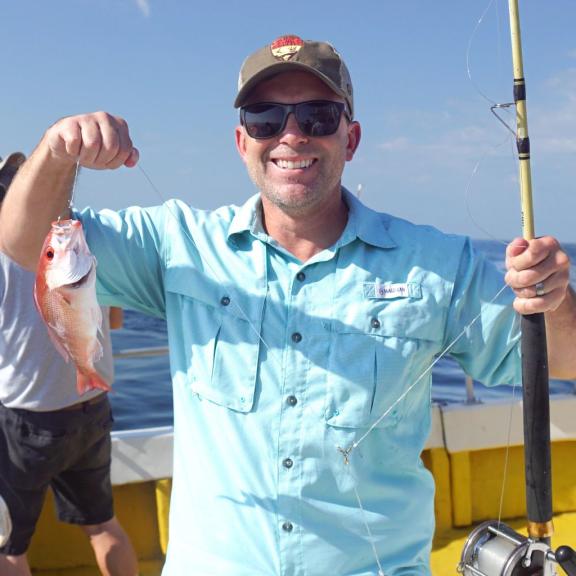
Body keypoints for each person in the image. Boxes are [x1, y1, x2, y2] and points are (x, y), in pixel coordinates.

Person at [1, 35, 575, 576]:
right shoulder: (176, 243)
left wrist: (552, 297)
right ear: (242, 141)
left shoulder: (437, 261)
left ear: (349, 139)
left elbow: (566, 360)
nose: (291, 135)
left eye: (318, 117)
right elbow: (26, 243)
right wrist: (56, 151)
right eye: (265, 118)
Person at [0, 153, 138, 576]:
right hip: (91, 406)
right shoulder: (78, 245)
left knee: (9, 548)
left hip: (28, 422)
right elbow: (113, 319)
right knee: (102, 525)